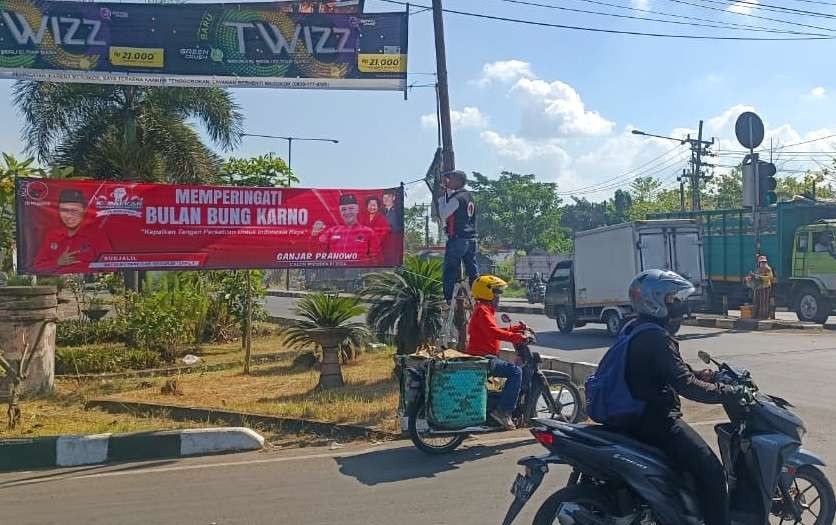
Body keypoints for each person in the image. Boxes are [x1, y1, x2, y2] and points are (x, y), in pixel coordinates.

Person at [623, 269, 739, 525]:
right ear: (655, 302)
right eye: (673, 300)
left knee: (689, 469)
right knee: (712, 472)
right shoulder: (656, 337)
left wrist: (701, 374)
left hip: (637, 416)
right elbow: (685, 386)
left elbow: (667, 370)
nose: (680, 307)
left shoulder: (637, 328)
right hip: (657, 421)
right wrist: (727, 393)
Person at [465, 275, 527, 430]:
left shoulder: (483, 310)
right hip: (484, 358)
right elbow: (493, 332)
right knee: (516, 372)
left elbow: (495, 331)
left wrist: (516, 330)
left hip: (483, 356)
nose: (498, 297)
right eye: (496, 292)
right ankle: (503, 412)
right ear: (487, 293)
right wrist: (516, 337)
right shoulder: (482, 311)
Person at [32, 188, 113, 274]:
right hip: (59, 283)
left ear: (84, 210)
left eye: (75, 211)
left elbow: (110, 266)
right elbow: (37, 268)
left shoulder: (96, 234)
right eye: (64, 210)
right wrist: (57, 263)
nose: (69, 216)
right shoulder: (52, 236)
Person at [437, 170, 478, 303]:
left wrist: (441, 198)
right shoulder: (468, 196)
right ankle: (478, 294)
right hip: (470, 239)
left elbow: (443, 214)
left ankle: (449, 299)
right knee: (472, 269)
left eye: (451, 179)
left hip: (458, 239)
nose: (448, 181)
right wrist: (448, 192)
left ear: (459, 181)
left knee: (450, 270)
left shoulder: (457, 199)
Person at [312, 194, 382, 264]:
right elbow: (317, 254)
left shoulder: (368, 232)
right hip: (335, 272)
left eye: (351, 208)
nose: (347, 212)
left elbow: (377, 259)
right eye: (343, 209)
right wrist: (314, 236)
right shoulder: (331, 231)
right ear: (340, 212)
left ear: (357, 210)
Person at [752, 255, 774, 319]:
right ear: (759, 263)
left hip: (765, 287)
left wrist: (761, 277)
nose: (763, 263)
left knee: (764, 302)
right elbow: (757, 276)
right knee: (757, 301)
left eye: (764, 262)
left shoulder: (768, 269)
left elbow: (770, 277)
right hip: (759, 287)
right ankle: (757, 315)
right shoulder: (758, 269)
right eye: (761, 262)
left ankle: (764, 316)